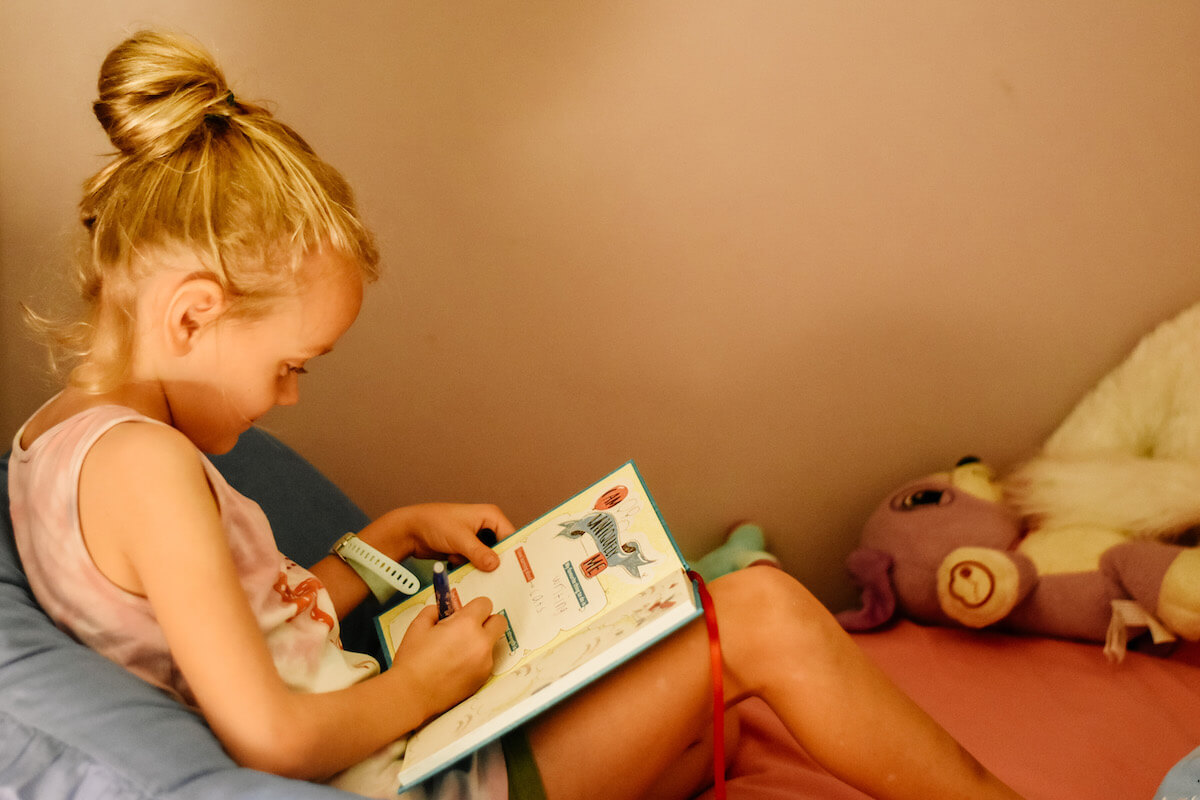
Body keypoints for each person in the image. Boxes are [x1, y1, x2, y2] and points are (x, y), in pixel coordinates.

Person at [8, 30, 1022, 800]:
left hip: (390, 740)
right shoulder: (143, 468)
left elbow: (242, 629)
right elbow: (270, 732)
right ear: (193, 313)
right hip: (397, 770)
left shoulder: (58, 440)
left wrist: (384, 538)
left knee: (680, 671)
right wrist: (425, 682)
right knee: (757, 610)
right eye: (290, 364)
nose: (289, 396)